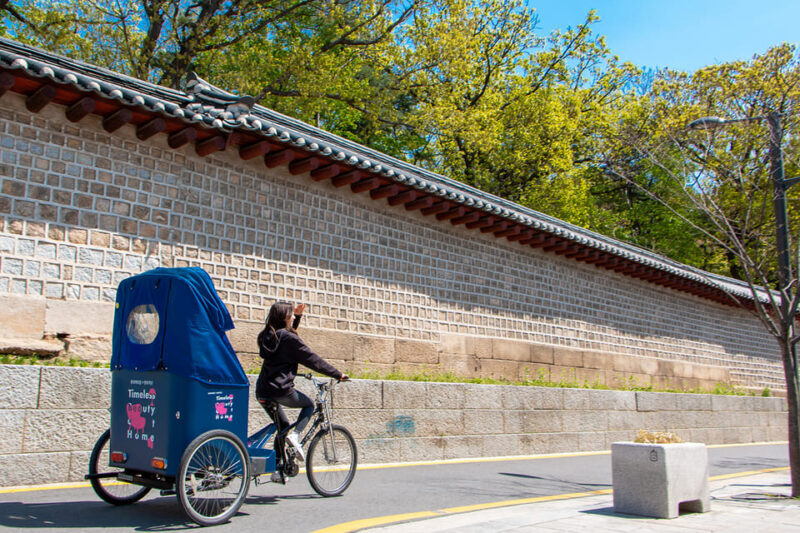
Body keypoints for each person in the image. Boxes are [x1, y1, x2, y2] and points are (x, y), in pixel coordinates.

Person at [255, 302, 348, 462]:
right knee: (309, 405)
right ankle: (296, 436)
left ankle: (278, 465)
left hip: (263, 390)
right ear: (284, 317)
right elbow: (312, 359)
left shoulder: (267, 336)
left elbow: (288, 336)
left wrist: (297, 317)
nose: (292, 316)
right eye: (291, 314)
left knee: (282, 426)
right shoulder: (288, 339)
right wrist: (337, 374)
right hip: (281, 390)